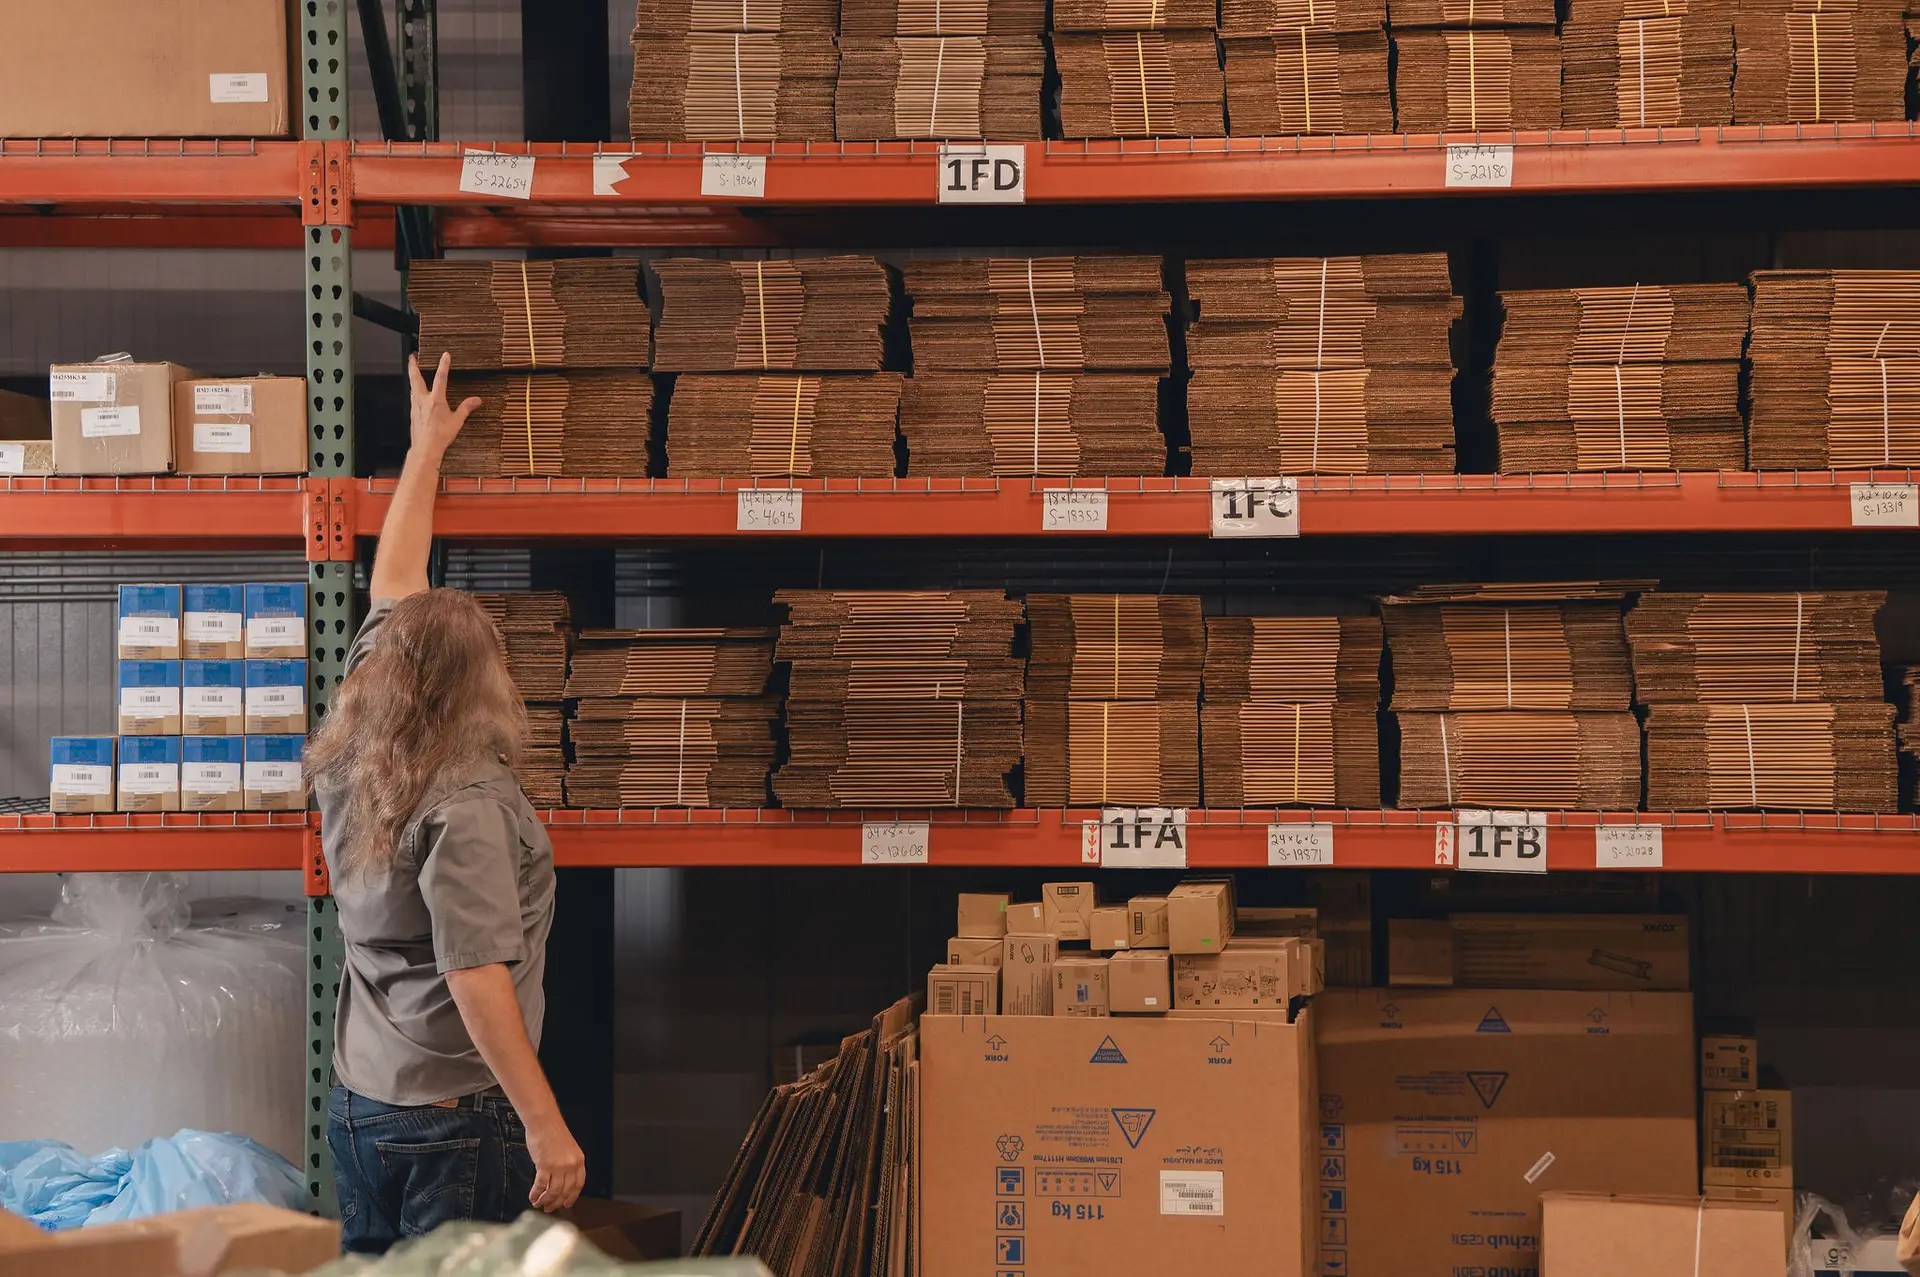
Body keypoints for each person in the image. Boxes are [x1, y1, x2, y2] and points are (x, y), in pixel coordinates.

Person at [308, 351, 586, 1253]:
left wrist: (425, 451)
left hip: (360, 1102)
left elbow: (394, 581)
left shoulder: (355, 733)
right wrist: (543, 1122)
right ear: (481, 687)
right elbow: (474, 975)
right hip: (451, 1117)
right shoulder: (467, 797)